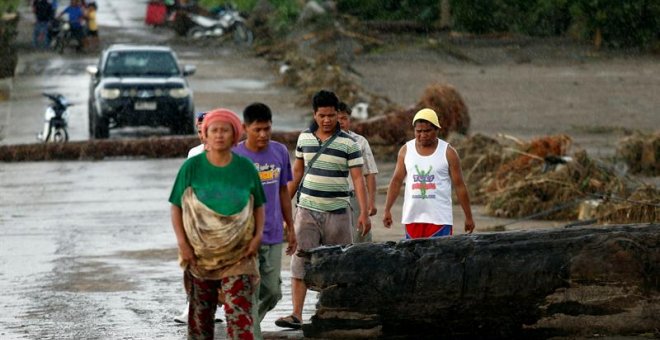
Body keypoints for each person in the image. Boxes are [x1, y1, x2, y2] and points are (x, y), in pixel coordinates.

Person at [275, 90, 371, 329]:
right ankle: (296, 314)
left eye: (331, 115)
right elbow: (296, 175)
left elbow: (358, 179)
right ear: (314, 114)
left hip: (339, 211)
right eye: (322, 115)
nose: (327, 120)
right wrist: (283, 210)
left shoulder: (349, 143)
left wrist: (364, 212)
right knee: (300, 261)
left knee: (339, 263)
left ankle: (333, 312)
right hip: (306, 210)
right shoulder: (304, 139)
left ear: (338, 115)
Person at [169, 108, 266, 339]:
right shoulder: (191, 167)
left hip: (239, 255)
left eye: (225, 130)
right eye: (214, 130)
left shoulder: (245, 168)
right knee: (200, 320)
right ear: (205, 134)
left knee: (240, 317)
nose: (219, 135)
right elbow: (177, 206)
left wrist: (257, 236)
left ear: (235, 135)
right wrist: (183, 244)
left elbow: (259, 205)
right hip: (200, 255)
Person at [233, 102, 297, 338]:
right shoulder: (236, 156)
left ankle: (244, 324)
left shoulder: (279, 151)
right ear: (244, 128)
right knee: (252, 289)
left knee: (272, 292)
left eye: (267, 129)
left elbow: (283, 191)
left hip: (273, 233)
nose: (263, 135)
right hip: (245, 237)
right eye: (257, 129)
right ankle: (252, 333)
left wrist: (291, 227)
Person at [383, 108, 475, 239]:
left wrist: (469, 217)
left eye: (427, 131)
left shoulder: (448, 153)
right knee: (413, 258)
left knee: (439, 258)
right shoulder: (405, 151)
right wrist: (387, 209)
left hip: (440, 220)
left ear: (437, 130)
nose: (423, 135)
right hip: (412, 218)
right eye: (418, 131)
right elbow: (396, 181)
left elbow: (459, 186)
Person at [174, 110, 227, 325]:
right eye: (199, 131)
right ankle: (193, 305)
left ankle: (214, 305)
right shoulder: (194, 153)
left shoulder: (230, 153)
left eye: (205, 129)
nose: (202, 134)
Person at [337, 101, 378, 243]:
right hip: (332, 197)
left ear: (350, 120)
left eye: (344, 118)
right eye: (337, 118)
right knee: (335, 240)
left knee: (361, 237)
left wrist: (371, 203)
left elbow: (370, 173)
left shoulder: (360, 142)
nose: (340, 122)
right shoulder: (323, 142)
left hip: (355, 197)